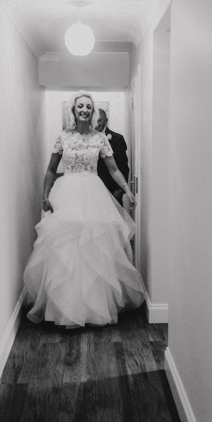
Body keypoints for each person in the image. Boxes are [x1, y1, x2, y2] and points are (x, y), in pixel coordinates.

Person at [22, 91, 146, 327]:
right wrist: (45, 195)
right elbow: (50, 170)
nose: (84, 110)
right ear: (73, 109)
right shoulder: (63, 137)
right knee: (66, 248)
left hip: (93, 193)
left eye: (89, 106)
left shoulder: (101, 139)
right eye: (80, 106)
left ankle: (94, 308)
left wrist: (126, 189)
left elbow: (114, 169)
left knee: (93, 248)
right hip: (67, 192)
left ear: (93, 111)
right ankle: (65, 309)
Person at [95, 108, 131, 206]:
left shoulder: (117, 139)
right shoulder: (86, 138)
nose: (97, 123)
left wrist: (120, 190)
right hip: (92, 191)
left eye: (99, 120)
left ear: (106, 121)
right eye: (95, 120)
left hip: (112, 191)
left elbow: (123, 166)